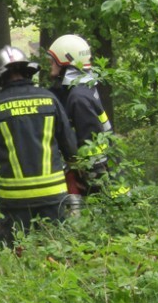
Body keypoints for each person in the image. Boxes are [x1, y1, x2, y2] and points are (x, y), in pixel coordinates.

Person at [0, 45, 78, 245]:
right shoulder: (49, 99)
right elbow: (69, 144)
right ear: (27, 70)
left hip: (15, 198)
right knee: (57, 247)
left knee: (16, 250)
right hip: (52, 193)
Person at [45, 34, 119, 196]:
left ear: (65, 61)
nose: (50, 64)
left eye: (52, 61)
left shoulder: (78, 99)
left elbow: (91, 146)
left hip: (97, 182)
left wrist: (92, 182)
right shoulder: (83, 90)